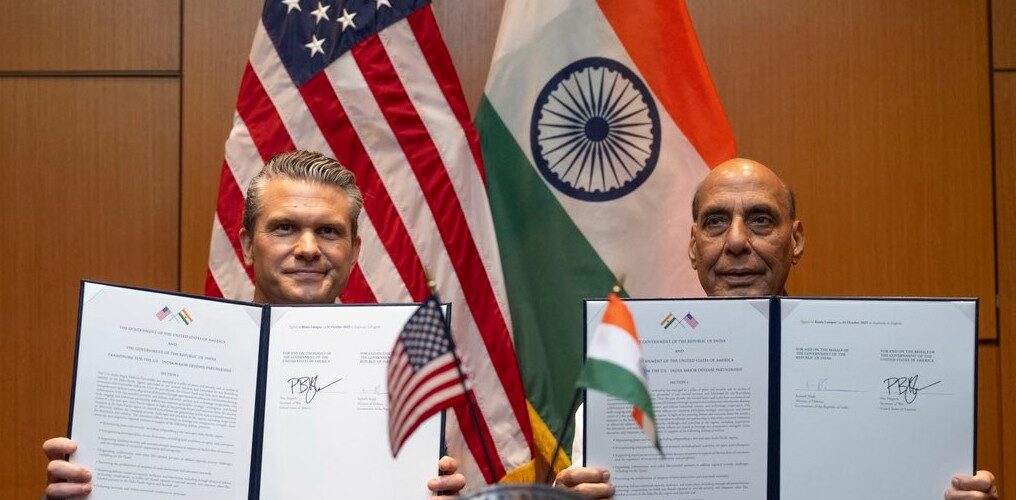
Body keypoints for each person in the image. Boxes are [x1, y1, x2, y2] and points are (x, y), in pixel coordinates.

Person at [446, 158, 998, 499]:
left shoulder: (868, 354)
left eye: (760, 219)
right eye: (716, 222)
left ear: (796, 240)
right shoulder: (625, 375)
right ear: (693, 246)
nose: (736, 241)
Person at [42, 150, 465, 498]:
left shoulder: (405, 372)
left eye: (328, 232)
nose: (307, 249)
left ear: (354, 251)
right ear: (247, 244)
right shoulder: (160, 362)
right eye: (285, 228)